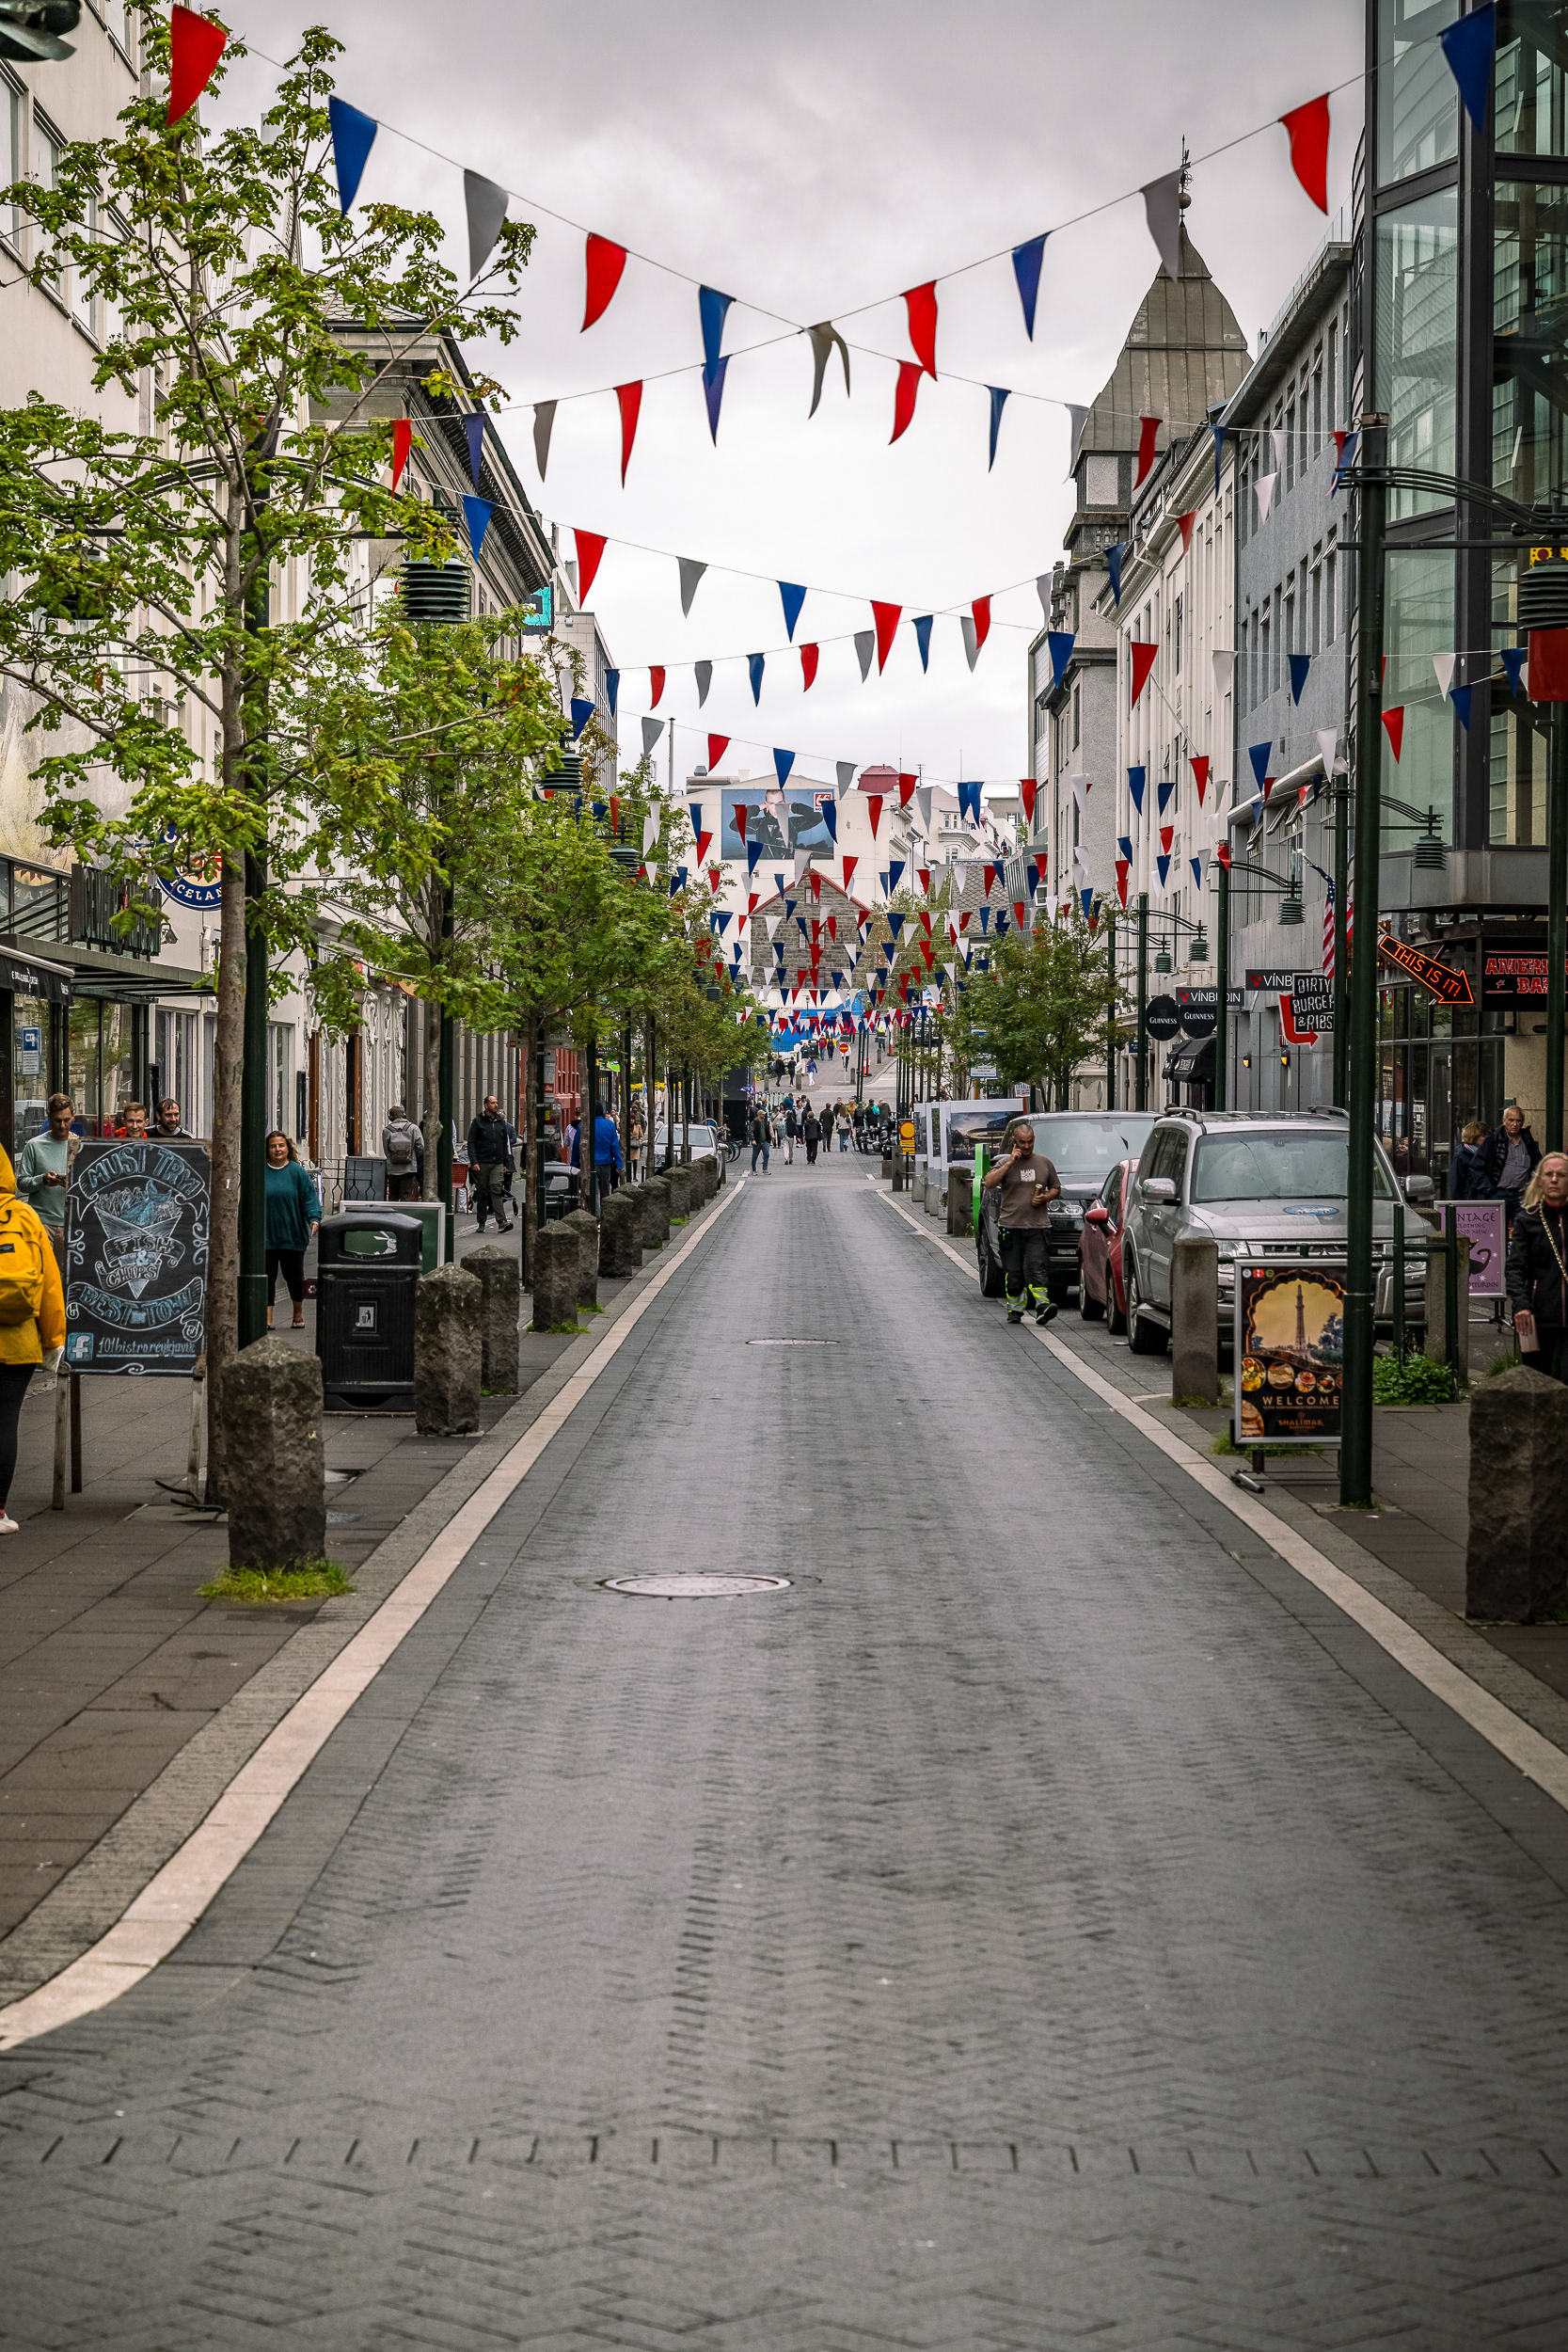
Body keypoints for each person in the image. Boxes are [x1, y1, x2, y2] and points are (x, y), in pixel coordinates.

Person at [0, 1143, 66, 1533]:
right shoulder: (24, 1216)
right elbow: (50, 1285)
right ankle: (0, 1511)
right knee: (5, 1421)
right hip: (18, 1341)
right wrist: (53, 1340)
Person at [981, 1119, 1061, 1326]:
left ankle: (1043, 1307)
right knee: (1013, 1271)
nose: (1026, 1146)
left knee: (1037, 1267)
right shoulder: (1004, 1163)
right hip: (1010, 1226)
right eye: (1022, 1143)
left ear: (1034, 1140)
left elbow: (1056, 1188)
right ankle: (1015, 1310)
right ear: (1014, 1142)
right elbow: (989, 1183)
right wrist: (1009, 1163)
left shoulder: (1045, 1163)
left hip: (1038, 1227)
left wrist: (1046, 1197)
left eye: (1030, 1142)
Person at [1508, 1152, 1568, 1379]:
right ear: (1540, 1180)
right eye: (1549, 1174)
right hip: (1536, 1314)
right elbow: (1515, 1267)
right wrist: (1521, 1305)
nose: (1554, 1179)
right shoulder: (1527, 1219)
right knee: (1536, 1379)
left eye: (1561, 1175)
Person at [263, 1129, 320, 1330]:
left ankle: (297, 1314)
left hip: (292, 1235)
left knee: (294, 1278)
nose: (277, 1149)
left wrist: (314, 1219)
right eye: (273, 1146)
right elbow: (247, 1204)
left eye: (281, 1145)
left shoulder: (297, 1172)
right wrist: (240, 1234)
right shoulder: (260, 1172)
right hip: (266, 1236)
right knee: (266, 1278)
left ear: (288, 1149)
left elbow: (309, 1198)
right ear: (268, 1150)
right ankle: (267, 1319)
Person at [15, 1093, 75, 1233]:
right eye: (57, 1120)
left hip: (71, 1223)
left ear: (73, 1116)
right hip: (41, 1223)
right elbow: (22, 1183)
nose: (62, 1126)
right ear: (49, 1116)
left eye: (66, 1120)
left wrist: (72, 1183)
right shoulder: (34, 1145)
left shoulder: (80, 1145)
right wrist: (42, 1179)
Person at [1480, 1103, 1542, 1227]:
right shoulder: (1493, 1141)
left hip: (1521, 1196)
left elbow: (1540, 1167)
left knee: (1524, 1230)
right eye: (1511, 1120)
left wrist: (1530, 1185)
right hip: (1497, 1194)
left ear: (1522, 1122)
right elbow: (1477, 1167)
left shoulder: (1528, 1142)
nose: (1515, 1124)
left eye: (1518, 1121)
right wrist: (1489, 1189)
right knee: (1496, 1231)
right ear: (1504, 1121)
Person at [467, 1094, 514, 1233]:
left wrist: (507, 1163)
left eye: (497, 1103)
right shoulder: (478, 1122)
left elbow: (505, 1144)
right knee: (483, 1192)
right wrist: (474, 1161)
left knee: (496, 1189)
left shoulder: (501, 1123)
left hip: (497, 1162)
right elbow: (471, 1142)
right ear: (486, 1105)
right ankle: (481, 1222)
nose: (496, 1105)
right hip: (482, 1162)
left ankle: (502, 1222)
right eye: (493, 1103)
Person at [568, 1102, 625, 1202]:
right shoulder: (610, 1125)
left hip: (589, 1164)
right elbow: (615, 1146)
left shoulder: (583, 1126)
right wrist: (619, 1164)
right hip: (606, 1163)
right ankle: (604, 1212)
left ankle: (595, 1213)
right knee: (605, 1190)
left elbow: (577, 1146)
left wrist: (574, 1164)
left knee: (592, 1192)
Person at [382, 1102, 424, 1202]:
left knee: (393, 1196)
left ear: (391, 1117)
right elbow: (421, 1147)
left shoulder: (386, 1130)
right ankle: (405, 1216)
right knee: (406, 1195)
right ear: (404, 1115)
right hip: (409, 1167)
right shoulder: (413, 1128)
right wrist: (412, 1155)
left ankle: (392, 1217)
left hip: (392, 1168)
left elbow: (386, 1150)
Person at [1448, 1120, 1487, 1201]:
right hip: (1469, 1201)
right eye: (1483, 1135)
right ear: (1474, 1136)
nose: (1486, 1138)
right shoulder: (1461, 1156)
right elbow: (1456, 1183)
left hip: (1486, 1199)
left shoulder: (1487, 1153)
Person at [750, 1108, 770, 1175]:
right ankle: (754, 1170)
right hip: (757, 1141)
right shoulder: (754, 1122)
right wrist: (753, 1139)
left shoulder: (765, 1122)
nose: (764, 1115)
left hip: (765, 1141)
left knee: (766, 1154)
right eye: (763, 1114)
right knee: (755, 1156)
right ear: (759, 1115)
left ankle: (765, 1169)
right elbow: (751, 1131)